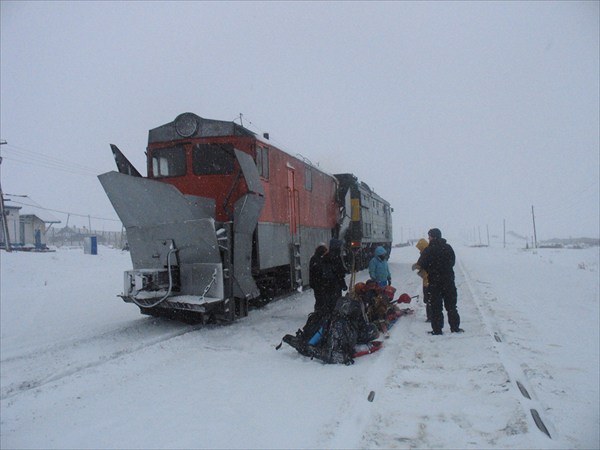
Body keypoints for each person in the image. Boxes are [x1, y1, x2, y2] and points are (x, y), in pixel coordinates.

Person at [415, 228, 463, 335]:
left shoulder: (428, 250)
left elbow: (421, 264)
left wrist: (432, 269)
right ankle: (455, 328)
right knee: (451, 306)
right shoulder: (448, 247)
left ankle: (437, 330)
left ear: (433, 237)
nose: (429, 238)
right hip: (448, 281)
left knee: (436, 307)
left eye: (429, 236)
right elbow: (452, 262)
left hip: (434, 282)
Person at [412, 238, 432, 322]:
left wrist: (417, 266)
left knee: (429, 300)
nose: (419, 250)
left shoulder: (426, 254)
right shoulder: (428, 253)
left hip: (428, 281)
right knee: (429, 299)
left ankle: (430, 317)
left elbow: (422, 265)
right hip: (428, 280)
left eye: (420, 248)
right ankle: (431, 316)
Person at [309, 243, 330, 312]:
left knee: (319, 299)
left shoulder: (314, 259)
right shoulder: (321, 260)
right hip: (320, 283)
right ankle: (320, 312)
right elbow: (321, 271)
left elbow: (312, 272)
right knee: (322, 299)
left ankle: (318, 312)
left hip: (316, 283)